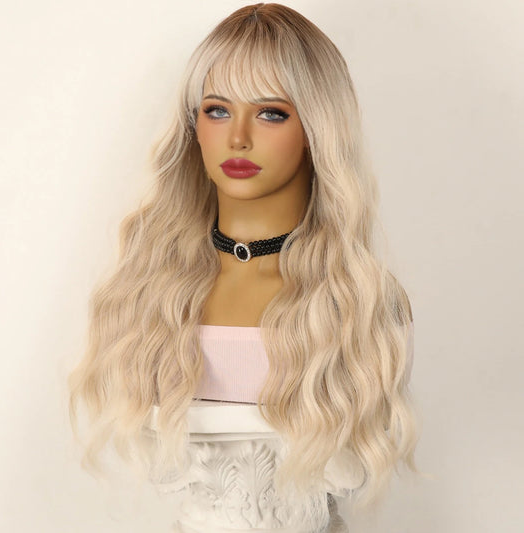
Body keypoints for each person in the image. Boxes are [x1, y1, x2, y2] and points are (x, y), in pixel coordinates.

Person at [68, 3, 417, 532]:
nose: (238, 138)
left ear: (316, 127)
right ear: (194, 125)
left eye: (271, 113)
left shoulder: (362, 305)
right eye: (217, 110)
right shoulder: (146, 295)